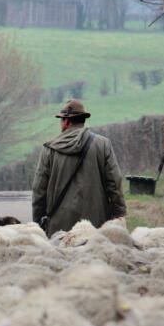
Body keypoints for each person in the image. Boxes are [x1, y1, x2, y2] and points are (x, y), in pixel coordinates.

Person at [32, 98, 126, 236]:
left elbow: (39, 190)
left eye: (61, 120)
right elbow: (114, 183)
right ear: (83, 120)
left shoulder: (50, 149)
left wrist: (38, 223)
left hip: (58, 229)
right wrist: (119, 214)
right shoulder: (103, 145)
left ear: (67, 121)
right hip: (96, 227)